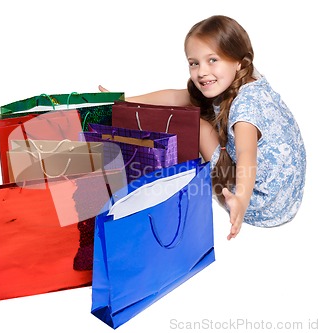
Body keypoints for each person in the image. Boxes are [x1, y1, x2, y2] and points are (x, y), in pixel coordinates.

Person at [100, 15, 306, 240]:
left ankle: (172, 177)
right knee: (194, 105)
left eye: (212, 60)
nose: (201, 71)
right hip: (288, 198)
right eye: (194, 63)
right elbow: (176, 96)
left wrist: (241, 200)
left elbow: (248, 154)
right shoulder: (244, 78)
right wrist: (124, 101)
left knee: (194, 124)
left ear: (239, 61)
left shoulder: (246, 109)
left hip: (260, 201)